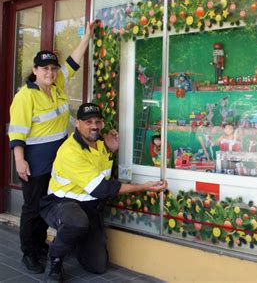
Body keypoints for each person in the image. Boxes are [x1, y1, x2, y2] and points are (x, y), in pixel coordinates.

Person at [39, 103, 168, 282]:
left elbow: (102, 175)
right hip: (61, 204)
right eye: (88, 122)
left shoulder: (101, 145)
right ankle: (55, 258)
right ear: (77, 123)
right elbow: (102, 189)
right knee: (76, 222)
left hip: (89, 207)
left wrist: (111, 150)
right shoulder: (70, 151)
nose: (94, 126)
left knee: (97, 266)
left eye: (98, 121)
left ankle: (73, 241)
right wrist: (143, 187)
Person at [7, 21, 96, 274]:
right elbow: (17, 132)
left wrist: (86, 37)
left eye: (53, 68)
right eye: (45, 68)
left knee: (50, 204)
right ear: (35, 70)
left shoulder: (56, 87)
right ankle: (30, 252)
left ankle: (41, 245)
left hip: (57, 163)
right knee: (33, 208)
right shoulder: (26, 95)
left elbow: (73, 63)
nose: (50, 72)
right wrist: (19, 160)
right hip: (34, 161)